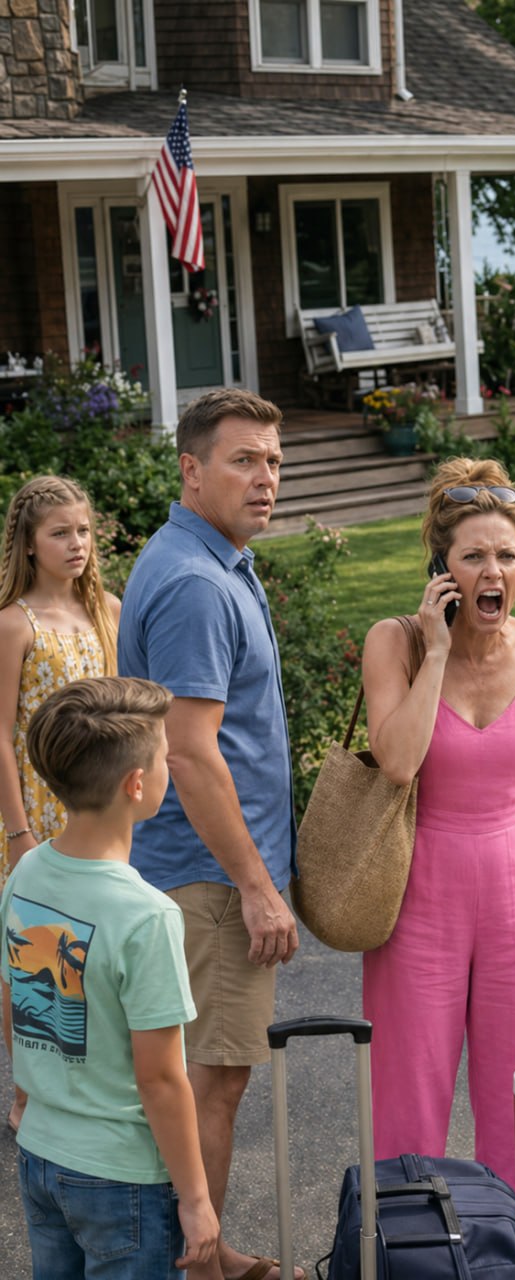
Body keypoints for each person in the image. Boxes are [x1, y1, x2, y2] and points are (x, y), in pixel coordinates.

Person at [118, 389, 300, 1280]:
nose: (265, 479)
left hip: (201, 871)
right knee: (211, 1082)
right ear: (192, 470)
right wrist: (256, 887)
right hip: (212, 881)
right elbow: (190, 754)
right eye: (243, 461)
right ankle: (195, 1265)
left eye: (273, 462)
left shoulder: (209, 557)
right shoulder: (196, 583)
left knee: (196, 1077)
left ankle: (202, 1252)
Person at [361, 458, 515, 1189]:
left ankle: (508, 1240)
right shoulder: (395, 642)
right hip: (417, 896)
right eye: (474, 556)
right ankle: (404, 1240)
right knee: (408, 1094)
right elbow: (397, 762)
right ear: (442, 567)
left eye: (507, 556)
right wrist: (435, 651)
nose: (493, 572)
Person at [1, 676, 219, 1278]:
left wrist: (31, 1099)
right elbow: (161, 1079)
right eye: (164, 754)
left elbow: (14, 1005)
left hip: (40, 1153)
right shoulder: (147, 916)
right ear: (137, 784)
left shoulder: (26, 874)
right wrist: (196, 1199)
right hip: (123, 1179)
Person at [0, 474, 121, 1133]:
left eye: (84, 531)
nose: (77, 543)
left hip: (101, 812)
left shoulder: (109, 612)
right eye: (60, 533)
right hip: (35, 818)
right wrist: (16, 830)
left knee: (93, 958)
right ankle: (30, 1096)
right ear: (28, 542)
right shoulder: (12, 624)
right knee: (33, 962)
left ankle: (88, 1091)